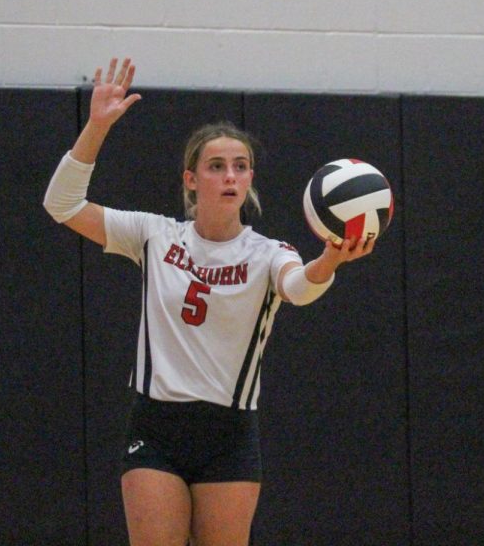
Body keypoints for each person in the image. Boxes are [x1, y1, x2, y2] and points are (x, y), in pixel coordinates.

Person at [42, 57, 375, 546]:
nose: (229, 176)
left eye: (240, 167)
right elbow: (62, 204)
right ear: (191, 180)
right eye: (216, 166)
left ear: (249, 181)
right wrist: (95, 127)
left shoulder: (268, 254)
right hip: (155, 426)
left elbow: (300, 288)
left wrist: (329, 261)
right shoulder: (154, 235)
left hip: (229, 434)